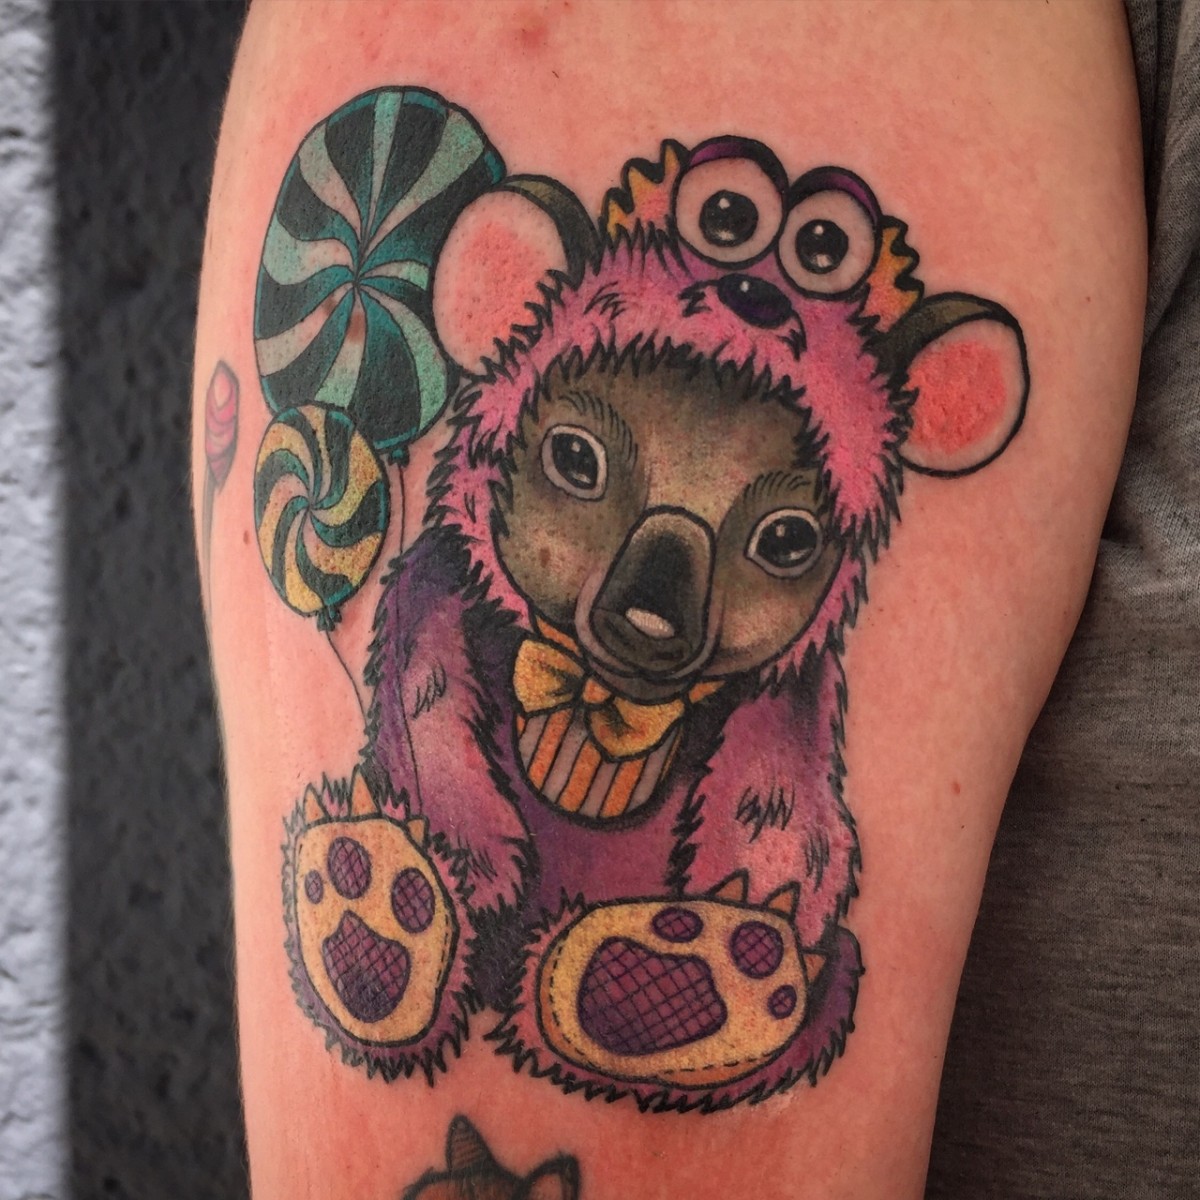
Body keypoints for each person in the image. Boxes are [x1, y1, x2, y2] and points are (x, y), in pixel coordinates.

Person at [193, 3, 1183, 1197]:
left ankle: (681, 982)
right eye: (577, 464)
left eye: (781, 540)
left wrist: (768, 909)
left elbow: (783, 825)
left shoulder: (783, 705)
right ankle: (415, 906)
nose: (657, 605)